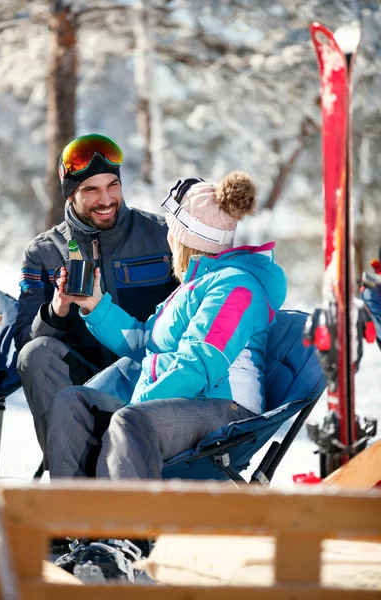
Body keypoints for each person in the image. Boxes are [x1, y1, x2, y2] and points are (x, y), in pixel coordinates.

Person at [46, 171, 287, 581]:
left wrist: (135, 402)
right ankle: (72, 532)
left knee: (128, 419)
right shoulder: (192, 285)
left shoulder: (237, 286)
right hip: (180, 398)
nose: (166, 238)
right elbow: (146, 342)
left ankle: (125, 542)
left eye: (171, 231)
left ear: (185, 237)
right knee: (74, 402)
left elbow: (201, 362)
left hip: (223, 406)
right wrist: (94, 303)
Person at [14, 134, 176, 463]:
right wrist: (56, 311)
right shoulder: (44, 253)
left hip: (149, 375)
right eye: (90, 190)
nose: (106, 199)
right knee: (36, 352)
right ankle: (70, 484)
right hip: (82, 381)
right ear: (71, 194)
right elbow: (22, 345)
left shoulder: (164, 237)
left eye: (112, 185)